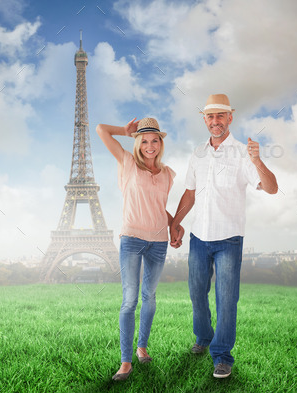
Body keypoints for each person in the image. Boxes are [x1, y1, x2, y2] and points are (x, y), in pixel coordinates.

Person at [170, 94, 278, 379]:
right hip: (198, 238)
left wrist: (258, 160)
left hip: (229, 239)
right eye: (210, 117)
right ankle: (204, 337)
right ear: (204, 120)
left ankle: (222, 356)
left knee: (226, 299)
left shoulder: (244, 153)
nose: (215, 121)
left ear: (230, 117)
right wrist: (175, 223)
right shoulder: (197, 153)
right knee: (196, 294)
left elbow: (271, 188)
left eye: (220, 116)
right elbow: (190, 193)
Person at [96, 117, 183, 381]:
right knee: (129, 300)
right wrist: (124, 131)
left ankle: (142, 347)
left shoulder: (168, 174)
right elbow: (101, 130)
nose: (149, 145)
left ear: (161, 143)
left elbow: (158, 207)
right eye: (144, 140)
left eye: (154, 140)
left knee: (150, 297)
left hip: (158, 241)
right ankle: (125, 362)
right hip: (132, 238)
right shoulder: (127, 163)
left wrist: (174, 226)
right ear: (137, 143)